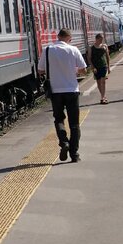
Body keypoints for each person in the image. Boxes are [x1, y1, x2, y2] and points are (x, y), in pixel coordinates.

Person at [37, 28, 87, 162]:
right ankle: (74, 154)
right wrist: (74, 71)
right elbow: (83, 70)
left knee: (59, 119)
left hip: (55, 91)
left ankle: (64, 142)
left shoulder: (47, 50)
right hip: (72, 90)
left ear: (58, 37)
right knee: (74, 124)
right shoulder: (73, 50)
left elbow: (40, 70)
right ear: (69, 38)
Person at [90, 33, 111, 104]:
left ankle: (103, 97)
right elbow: (89, 58)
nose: (101, 40)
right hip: (96, 67)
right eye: (100, 39)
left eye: (102, 39)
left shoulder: (104, 46)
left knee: (103, 82)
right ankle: (103, 96)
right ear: (96, 39)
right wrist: (92, 67)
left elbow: (108, 57)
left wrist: (109, 67)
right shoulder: (91, 48)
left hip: (103, 66)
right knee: (98, 83)